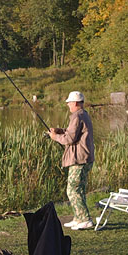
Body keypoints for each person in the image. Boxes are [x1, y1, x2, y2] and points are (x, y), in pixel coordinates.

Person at [48, 91, 95, 231]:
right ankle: (78, 218)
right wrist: (59, 131)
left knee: (72, 190)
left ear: (75, 103)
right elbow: (72, 133)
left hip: (79, 159)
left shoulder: (77, 115)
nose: (68, 105)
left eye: (69, 102)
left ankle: (85, 219)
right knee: (79, 189)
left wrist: (55, 137)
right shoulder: (83, 114)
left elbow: (69, 139)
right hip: (84, 158)